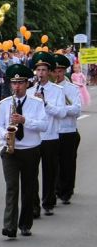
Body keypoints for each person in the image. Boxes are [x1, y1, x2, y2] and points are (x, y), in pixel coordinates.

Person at [0, 64, 48, 237]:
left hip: (30, 150)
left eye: (20, 83)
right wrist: (5, 135)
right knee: (11, 188)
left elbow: (44, 125)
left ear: (27, 84)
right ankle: (9, 226)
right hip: (10, 150)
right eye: (14, 83)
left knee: (28, 188)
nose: (16, 86)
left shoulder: (37, 103)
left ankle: (25, 223)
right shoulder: (5, 104)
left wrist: (25, 120)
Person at [25, 52, 66, 218]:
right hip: (34, 138)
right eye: (38, 70)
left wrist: (45, 103)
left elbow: (61, 113)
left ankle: (48, 202)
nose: (40, 73)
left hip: (50, 136)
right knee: (31, 174)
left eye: (43, 70)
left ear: (49, 72)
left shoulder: (57, 91)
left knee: (49, 172)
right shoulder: (29, 91)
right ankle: (34, 206)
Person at [53, 54, 81, 205]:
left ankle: (66, 191)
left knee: (67, 164)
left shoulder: (71, 89)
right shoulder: (48, 89)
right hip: (52, 132)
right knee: (53, 164)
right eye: (55, 71)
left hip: (68, 131)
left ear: (64, 72)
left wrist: (59, 110)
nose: (57, 74)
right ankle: (56, 189)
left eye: (60, 71)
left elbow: (76, 109)